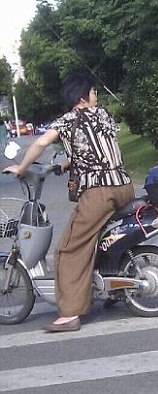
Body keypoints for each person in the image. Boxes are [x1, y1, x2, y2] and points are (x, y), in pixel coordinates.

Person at [3, 72, 134, 332]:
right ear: (83, 97)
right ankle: (108, 288)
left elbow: (41, 142)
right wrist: (63, 164)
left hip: (99, 192)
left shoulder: (68, 120)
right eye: (93, 92)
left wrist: (21, 168)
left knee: (67, 250)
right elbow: (94, 150)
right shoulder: (104, 114)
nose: (95, 96)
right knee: (94, 238)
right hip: (124, 186)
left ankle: (70, 313)